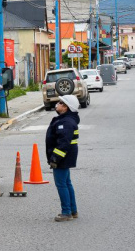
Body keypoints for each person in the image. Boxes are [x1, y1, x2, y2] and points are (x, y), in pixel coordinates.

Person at [46, 94, 80, 222]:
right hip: (66, 157)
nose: (57, 104)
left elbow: (63, 143)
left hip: (62, 158)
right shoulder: (66, 120)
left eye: (60, 103)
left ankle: (66, 212)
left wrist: (55, 159)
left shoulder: (65, 122)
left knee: (62, 184)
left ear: (66, 107)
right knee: (66, 183)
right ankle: (73, 210)